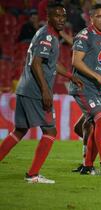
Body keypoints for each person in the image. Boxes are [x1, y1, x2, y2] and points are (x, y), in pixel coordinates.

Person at [0, 3, 83, 184]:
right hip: (35, 91)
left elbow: (50, 64)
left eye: (63, 16)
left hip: (25, 88)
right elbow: (36, 63)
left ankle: (33, 174)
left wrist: (70, 76)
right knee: (50, 131)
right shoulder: (47, 35)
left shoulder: (48, 34)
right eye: (57, 16)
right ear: (48, 17)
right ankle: (33, 175)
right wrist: (45, 90)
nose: (61, 19)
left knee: (20, 130)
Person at [69, 4, 101, 175]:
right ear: (91, 18)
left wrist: (99, 80)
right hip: (85, 87)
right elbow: (76, 61)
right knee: (98, 120)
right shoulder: (85, 35)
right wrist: (98, 77)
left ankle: (88, 166)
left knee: (92, 123)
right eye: (98, 16)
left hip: (98, 90)